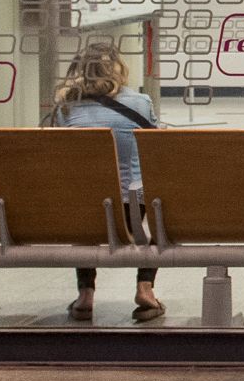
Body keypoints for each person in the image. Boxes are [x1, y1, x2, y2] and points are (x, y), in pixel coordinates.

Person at [52, 39, 165, 324]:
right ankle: (145, 289)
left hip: (85, 210)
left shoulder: (66, 108)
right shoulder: (140, 102)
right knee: (159, 222)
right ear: (118, 68)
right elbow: (157, 149)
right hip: (130, 212)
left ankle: (85, 295)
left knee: (84, 224)